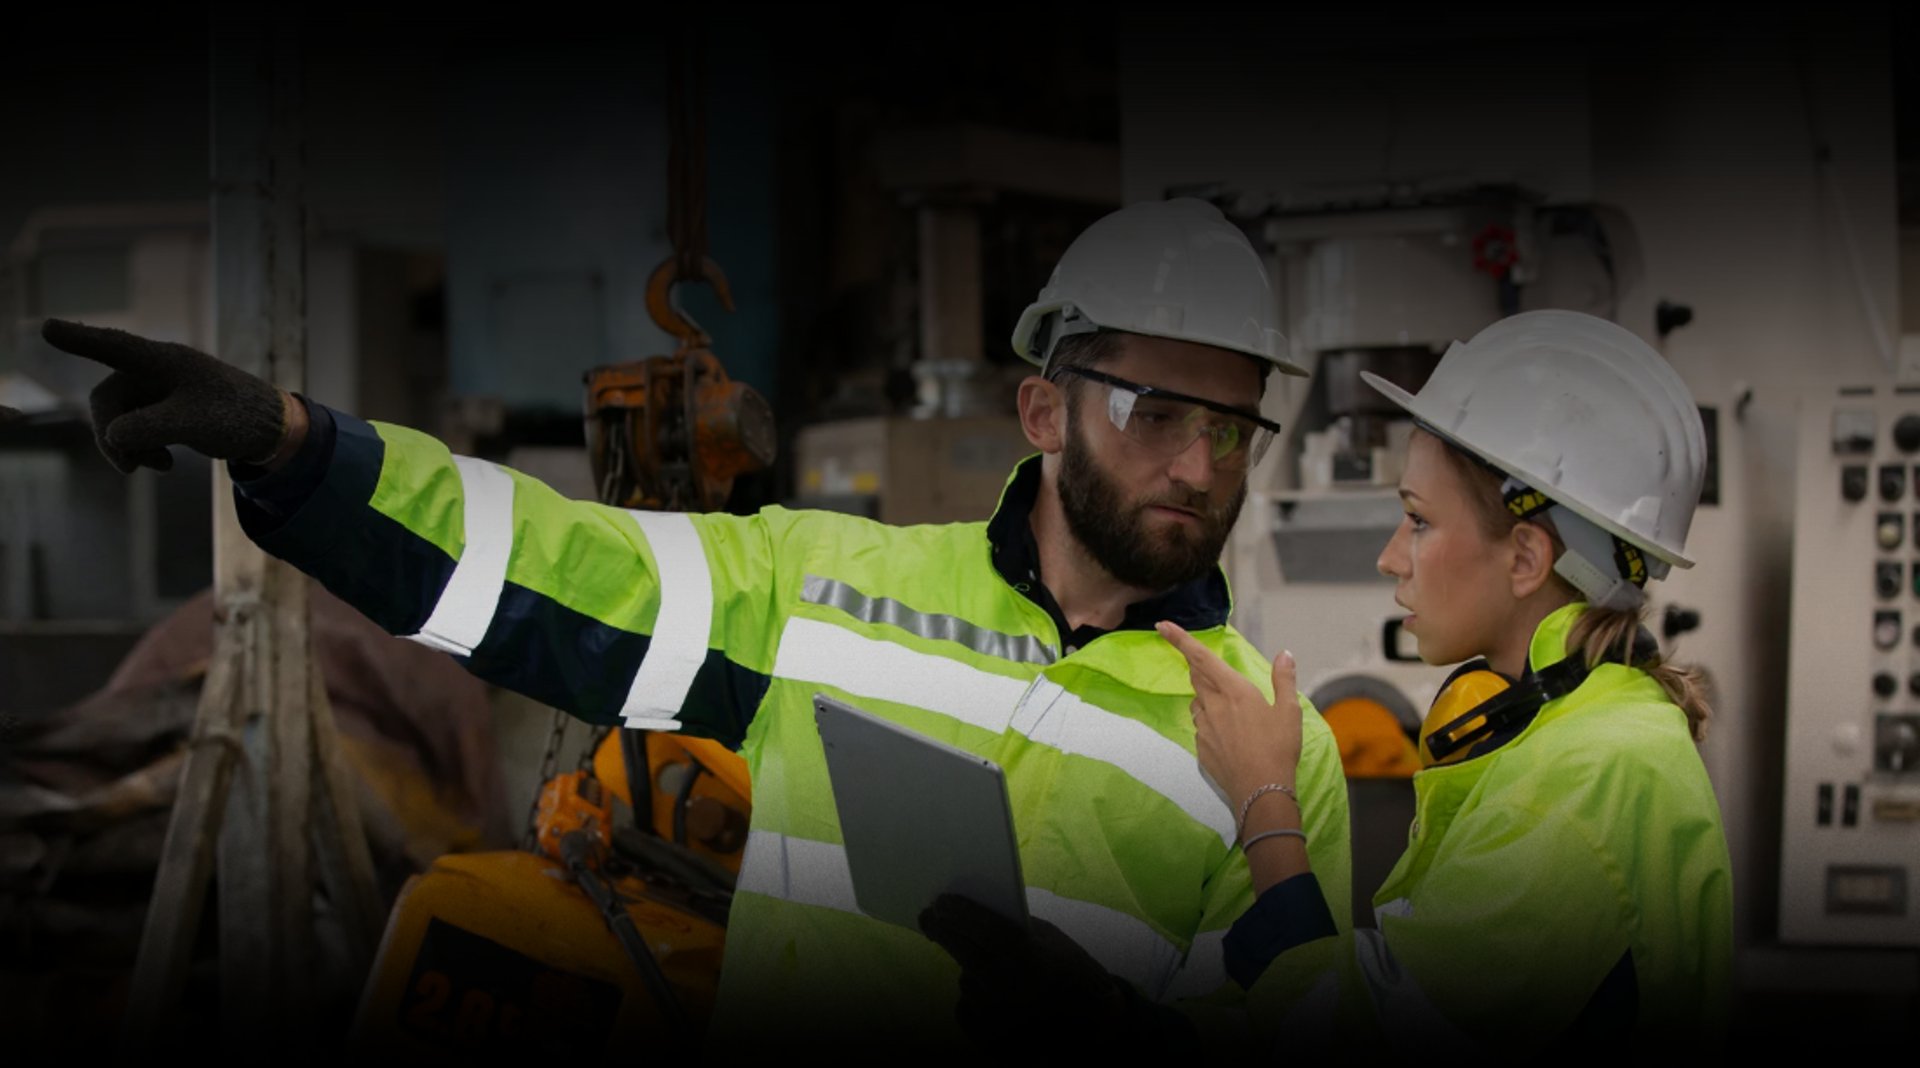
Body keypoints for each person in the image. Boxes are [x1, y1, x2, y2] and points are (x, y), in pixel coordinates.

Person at [42, 197, 1354, 1047]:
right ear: (1046, 412)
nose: (1198, 463)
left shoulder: (1269, 748)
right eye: (1154, 413)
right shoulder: (824, 587)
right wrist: (301, 454)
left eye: (1231, 428)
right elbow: (550, 567)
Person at [924, 308, 1732, 1058]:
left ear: (1525, 557)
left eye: (1418, 520)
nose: (1390, 556)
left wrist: (1265, 801)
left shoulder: (1588, 776)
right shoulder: (1584, 736)